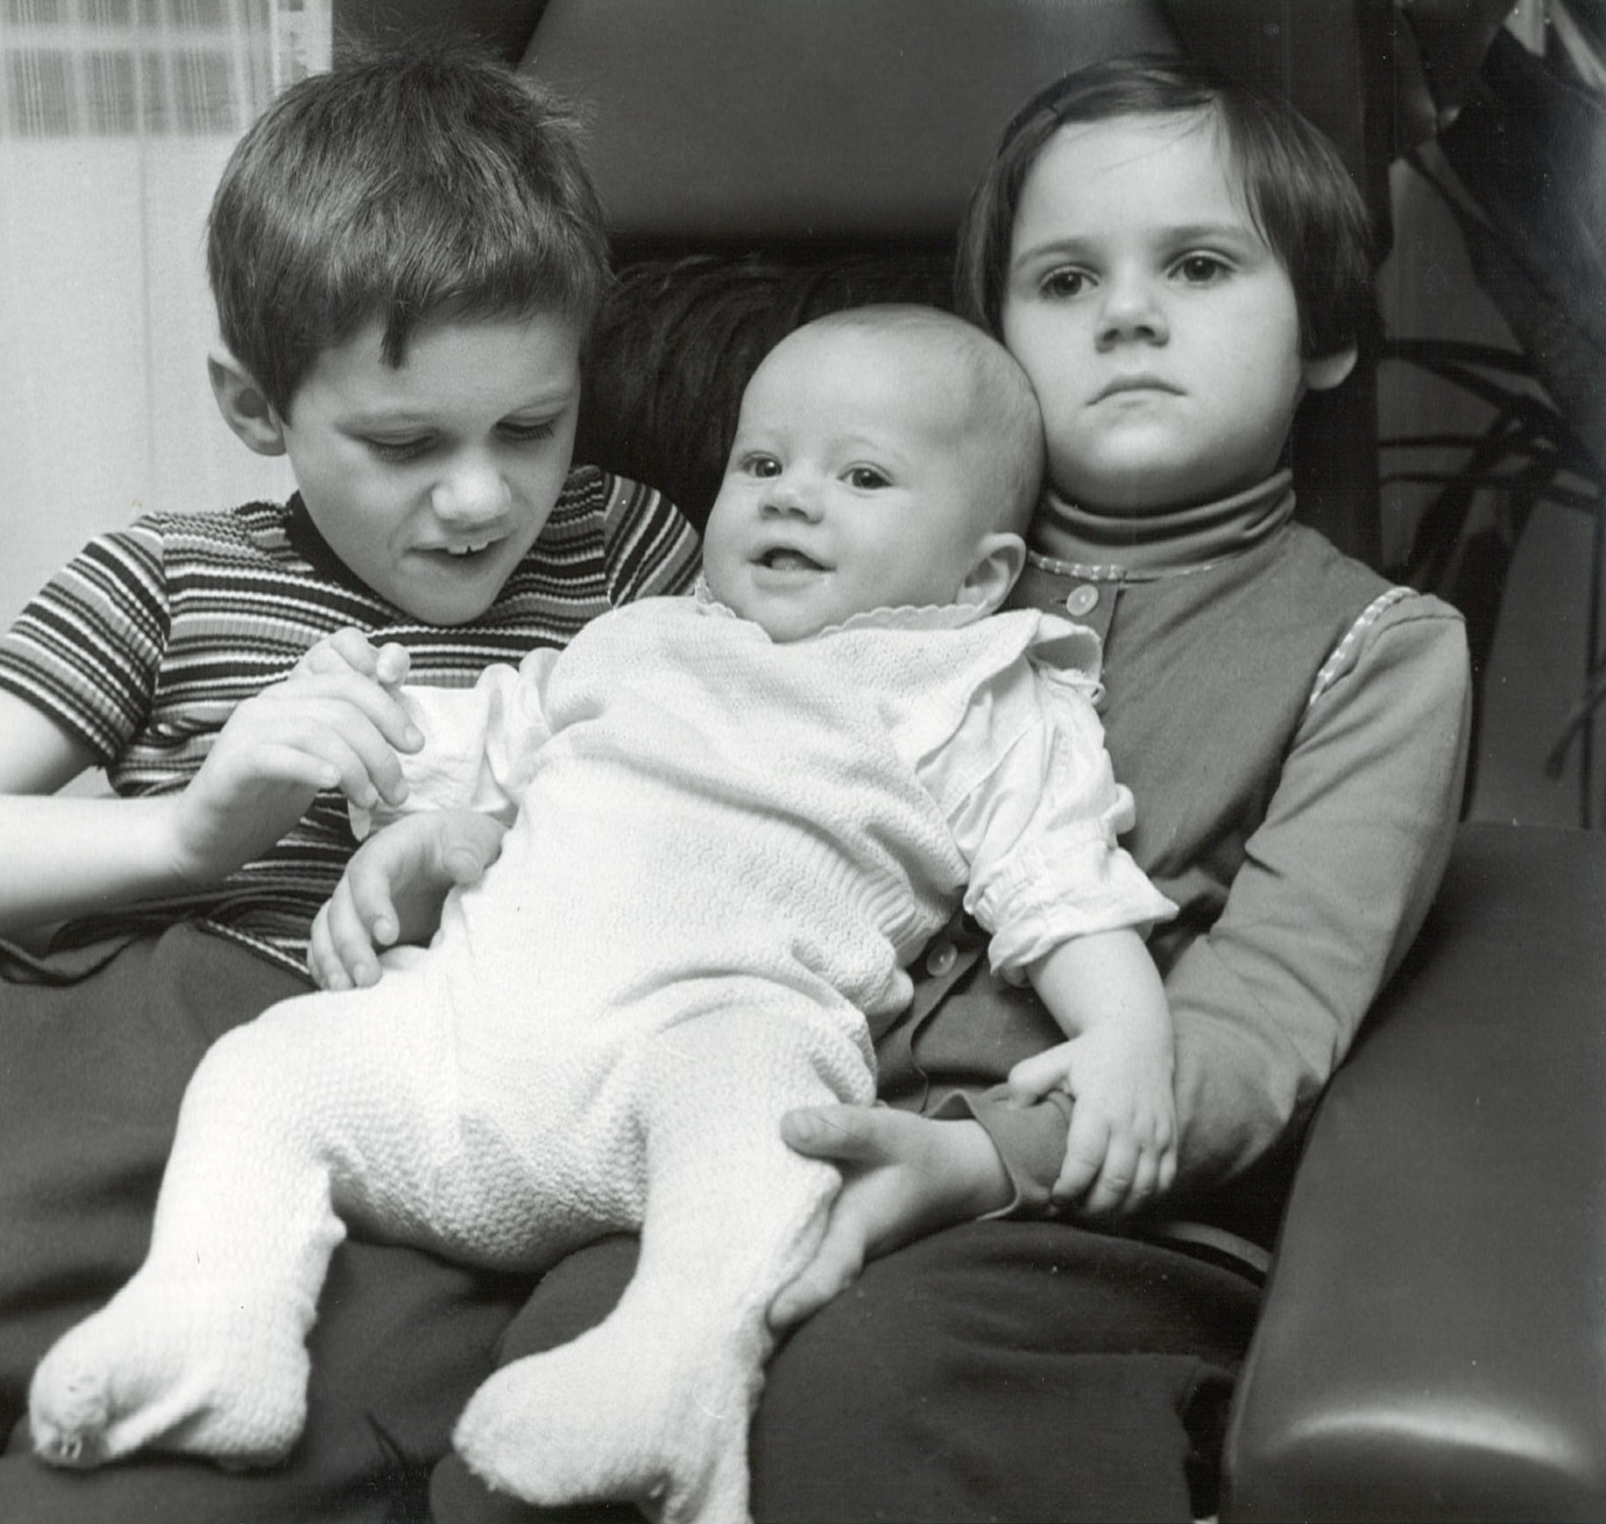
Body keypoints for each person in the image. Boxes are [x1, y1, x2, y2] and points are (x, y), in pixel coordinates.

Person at [424, 54, 1473, 1523]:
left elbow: (1264, 1019)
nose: (1125, 313)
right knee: (556, 1385)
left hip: (1094, 1214)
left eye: (1197, 266)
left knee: (867, 1403)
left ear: (1327, 335)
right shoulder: (855, 558)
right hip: (754, 1134)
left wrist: (982, 1160)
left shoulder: (1377, 649)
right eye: (1064, 281)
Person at [0, 41, 700, 1524]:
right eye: (404, 442)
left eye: (530, 427)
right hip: (143, 1026)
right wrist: (192, 831)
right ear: (254, 404)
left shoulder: (627, 552)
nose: (482, 497)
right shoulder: (169, 577)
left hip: (430, 1100)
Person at [22, 306, 1181, 1523]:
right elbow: (478, 744)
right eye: (762, 464)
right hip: (459, 1047)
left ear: (983, 572)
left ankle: (672, 1372)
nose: (791, 497)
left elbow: (1061, 880)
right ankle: (212, 1330)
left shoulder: (982, 687)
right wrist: (383, 755)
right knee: (268, 1067)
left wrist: (1126, 1034)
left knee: (777, 1113)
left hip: (684, 1063)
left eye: (863, 477)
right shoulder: (637, 637)